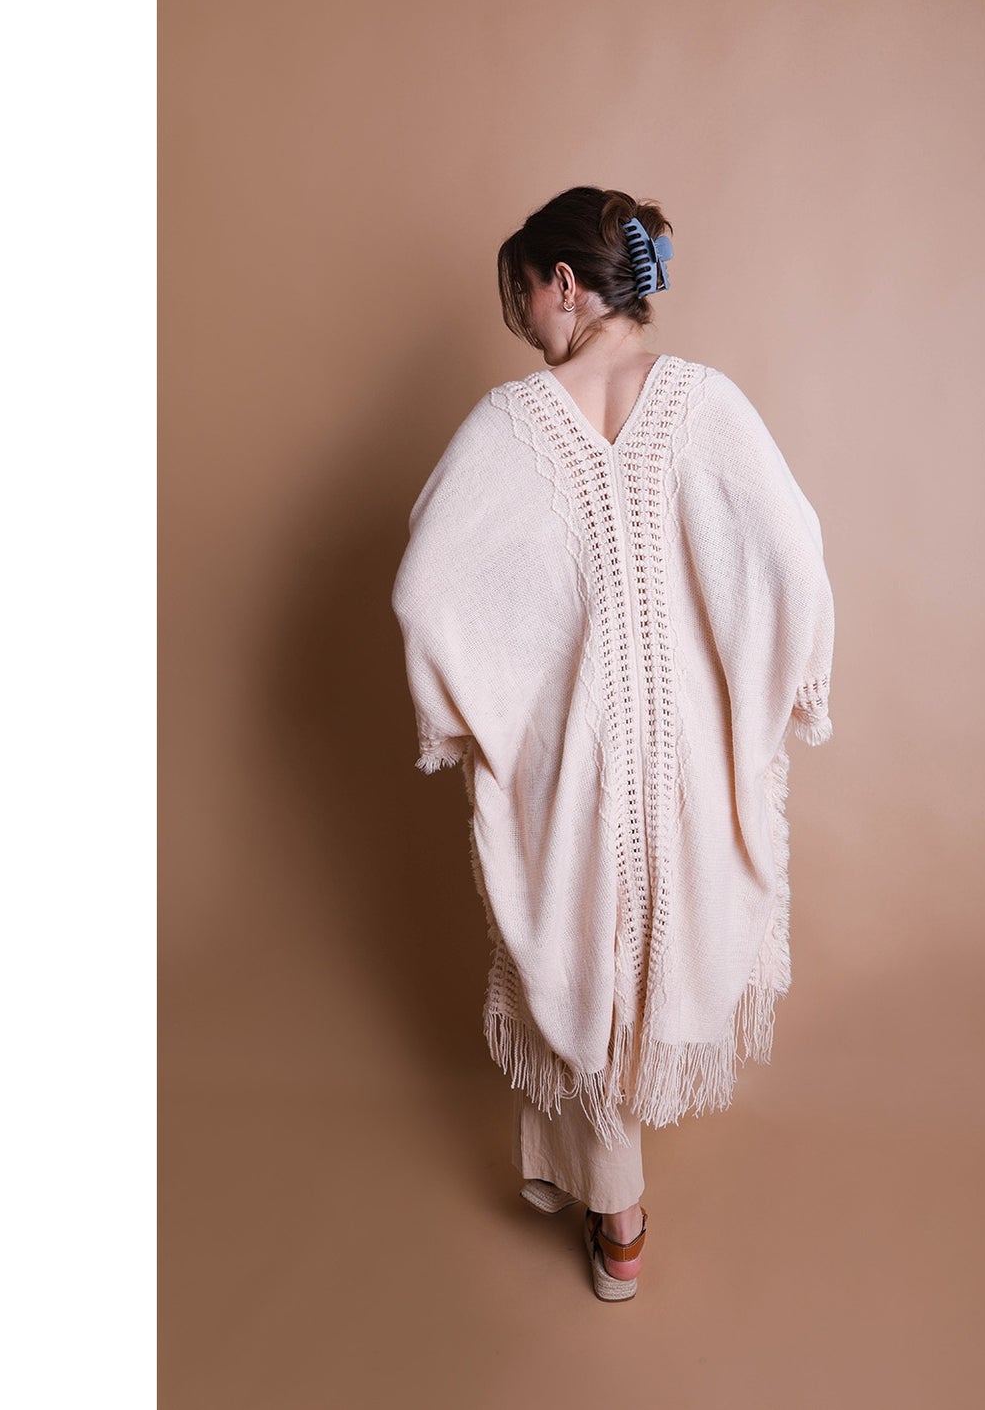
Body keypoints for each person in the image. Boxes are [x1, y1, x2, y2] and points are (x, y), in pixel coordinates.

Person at [391, 186, 835, 1301]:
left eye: (530, 301)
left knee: (579, 954)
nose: (530, 331)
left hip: (572, 759)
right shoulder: (707, 401)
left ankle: (615, 1216)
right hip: (688, 759)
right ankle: (613, 1214)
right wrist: (777, 692)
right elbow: (791, 554)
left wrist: (480, 713)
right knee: (648, 946)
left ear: (565, 284)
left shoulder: (510, 420)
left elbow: (425, 588)